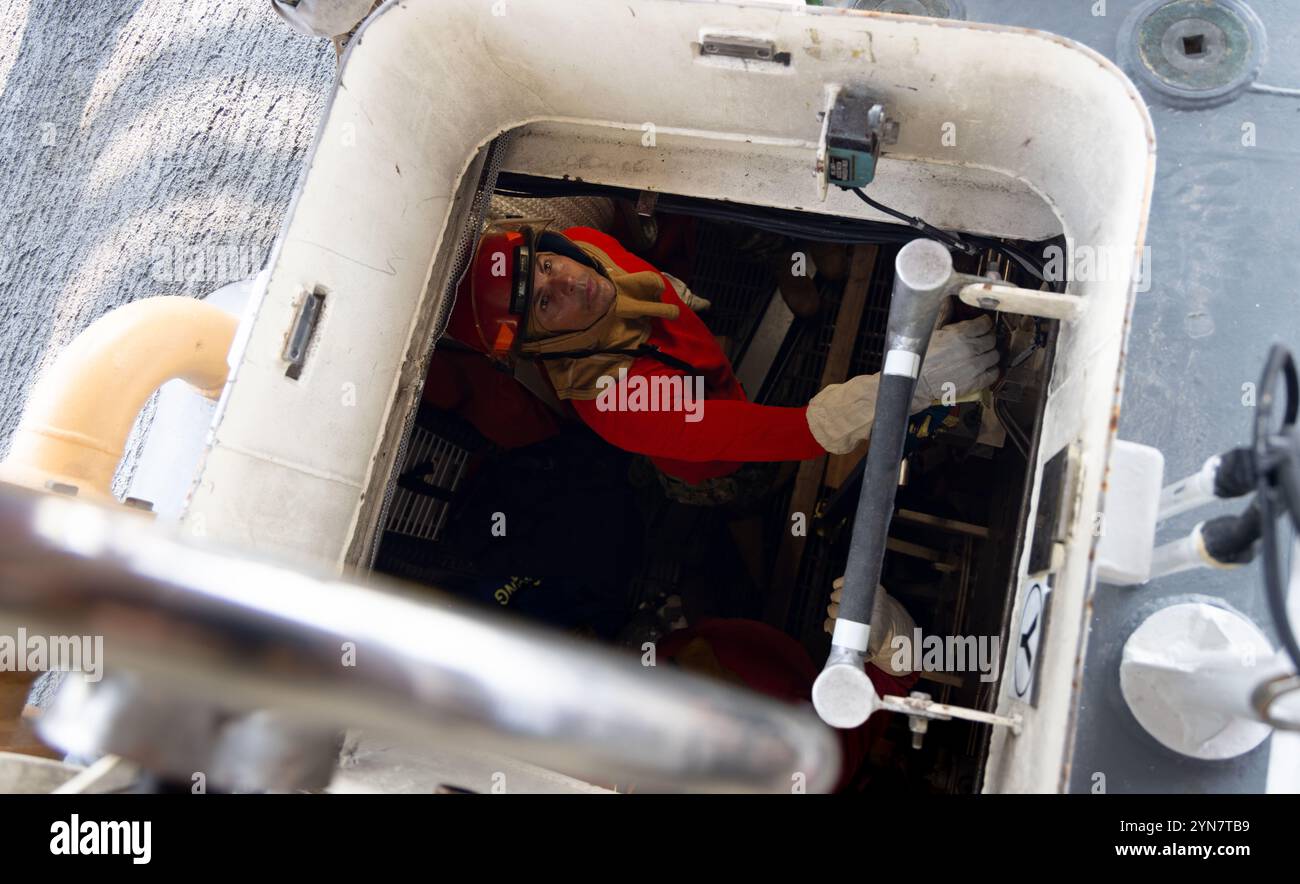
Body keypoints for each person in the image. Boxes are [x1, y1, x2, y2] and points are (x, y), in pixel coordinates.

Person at [440, 220, 999, 501]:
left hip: (702, 378)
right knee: (746, 488)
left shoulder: (584, 246)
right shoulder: (623, 402)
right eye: (542, 302)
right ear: (539, 346)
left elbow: (654, 287)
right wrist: (917, 384)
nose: (565, 281)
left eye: (541, 267)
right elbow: (803, 431)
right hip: (706, 463)